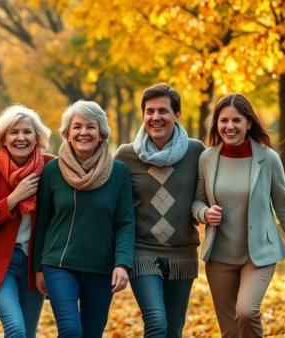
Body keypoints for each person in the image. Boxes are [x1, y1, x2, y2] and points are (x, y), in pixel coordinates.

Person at [192, 93, 285, 337]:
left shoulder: (268, 159)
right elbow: (197, 200)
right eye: (224, 120)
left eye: (237, 120)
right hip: (219, 255)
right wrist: (203, 213)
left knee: (246, 312)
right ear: (216, 124)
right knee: (230, 330)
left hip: (258, 255)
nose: (229, 126)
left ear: (249, 123)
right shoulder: (207, 158)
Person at [33, 100, 135, 337]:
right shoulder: (52, 171)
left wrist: (122, 263)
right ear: (67, 134)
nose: (83, 132)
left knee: (92, 333)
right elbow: (42, 222)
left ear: (102, 134)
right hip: (59, 264)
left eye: (91, 126)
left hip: (101, 267)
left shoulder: (118, 172)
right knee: (70, 330)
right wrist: (38, 267)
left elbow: (125, 222)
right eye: (77, 127)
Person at [114, 83, 205, 338]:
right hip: (142, 251)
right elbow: (114, 205)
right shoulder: (126, 155)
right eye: (149, 111)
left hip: (182, 254)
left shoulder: (196, 151)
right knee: (156, 323)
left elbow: (204, 196)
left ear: (177, 115)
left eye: (163, 111)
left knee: (174, 330)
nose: (156, 117)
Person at [0, 104, 53, 337]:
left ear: (37, 137)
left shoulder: (50, 166)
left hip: (34, 262)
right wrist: (14, 198)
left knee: (28, 332)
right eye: (14, 132)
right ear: (2, 138)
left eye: (27, 131)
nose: (21, 137)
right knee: (15, 328)